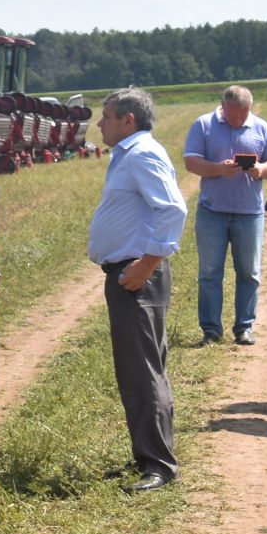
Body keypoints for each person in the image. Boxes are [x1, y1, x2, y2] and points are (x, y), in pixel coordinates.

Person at [91, 87, 188, 492]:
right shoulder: (128, 154)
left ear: (128, 119)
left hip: (137, 276)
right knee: (142, 368)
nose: (100, 123)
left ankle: (157, 465)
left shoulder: (142, 153)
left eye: (106, 116)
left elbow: (172, 209)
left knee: (142, 371)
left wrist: (147, 264)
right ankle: (148, 455)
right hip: (132, 274)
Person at [182, 84, 267, 346]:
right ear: (223, 106)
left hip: (250, 214)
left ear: (250, 108)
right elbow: (190, 161)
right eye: (233, 115)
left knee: (249, 273)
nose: (237, 121)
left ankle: (244, 327)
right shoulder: (203, 125)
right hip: (212, 212)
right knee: (210, 273)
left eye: (243, 115)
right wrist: (216, 169)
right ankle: (211, 330)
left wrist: (261, 169)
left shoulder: (261, 127)